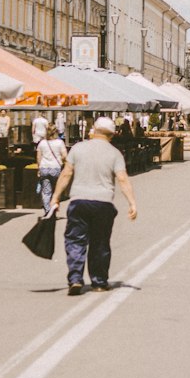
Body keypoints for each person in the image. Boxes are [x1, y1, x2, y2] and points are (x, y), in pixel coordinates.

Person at [51, 116, 137, 295]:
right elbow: (122, 179)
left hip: (79, 201)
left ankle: (75, 279)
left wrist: (55, 197)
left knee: (75, 240)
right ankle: (99, 281)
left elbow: (66, 174)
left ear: (93, 130)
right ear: (112, 135)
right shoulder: (115, 153)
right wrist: (132, 203)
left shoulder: (78, 148)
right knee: (100, 242)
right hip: (103, 203)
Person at [36, 123, 68, 212]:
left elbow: (38, 157)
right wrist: (61, 161)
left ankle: (47, 210)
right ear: (56, 132)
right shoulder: (60, 142)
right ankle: (54, 208)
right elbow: (65, 156)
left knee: (46, 191)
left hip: (44, 168)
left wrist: (39, 168)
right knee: (56, 190)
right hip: (56, 168)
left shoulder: (42, 143)